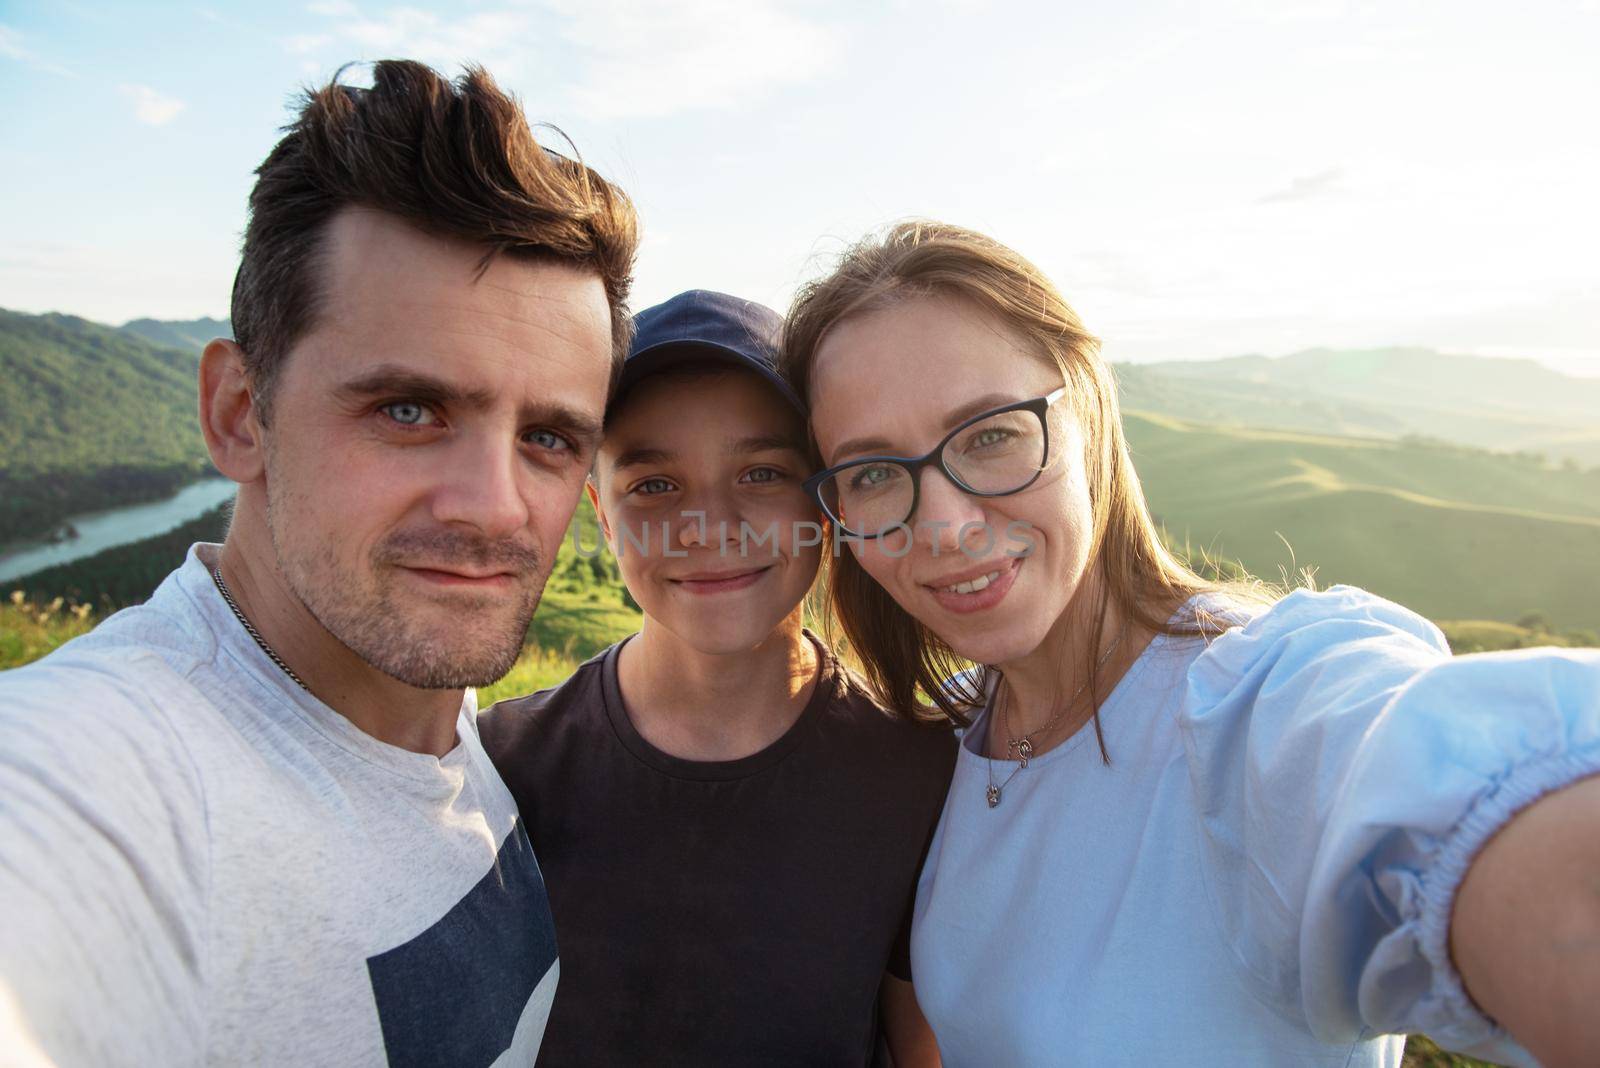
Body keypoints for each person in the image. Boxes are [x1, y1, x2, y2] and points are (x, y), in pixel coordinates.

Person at [779, 220, 1600, 1067]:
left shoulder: (1258, 700)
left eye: (991, 434)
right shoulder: (945, 739)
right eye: (873, 473)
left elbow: (1455, 793)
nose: (946, 527)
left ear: (1089, 417)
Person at [0, 60, 638, 1066]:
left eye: (550, 438)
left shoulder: (444, 725)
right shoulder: (105, 787)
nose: (494, 506)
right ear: (238, 414)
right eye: (408, 409)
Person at [479, 290, 955, 1067]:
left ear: (827, 500)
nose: (712, 526)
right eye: (655, 486)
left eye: (763, 473)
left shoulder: (920, 777)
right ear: (601, 511)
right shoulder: (499, 772)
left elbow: (919, 1050)